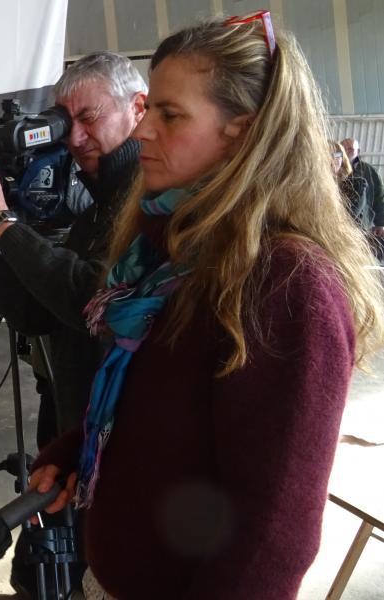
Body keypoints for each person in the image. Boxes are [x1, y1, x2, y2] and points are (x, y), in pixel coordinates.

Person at [19, 13, 383, 598]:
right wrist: (74, 448)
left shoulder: (286, 284)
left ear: (242, 131)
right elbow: (156, 398)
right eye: (148, 111)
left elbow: (273, 533)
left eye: (170, 114)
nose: (142, 132)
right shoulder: (169, 243)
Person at [0, 51, 147, 451]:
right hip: (78, 439)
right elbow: (35, 314)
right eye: (67, 124)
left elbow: (88, 299)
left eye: (89, 117)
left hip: (128, 454)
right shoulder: (96, 213)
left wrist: (1, 221)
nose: (75, 138)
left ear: (138, 108)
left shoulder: (155, 208)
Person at [342, 137, 384, 238]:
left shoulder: (368, 171)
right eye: (344, 148)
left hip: (362, 225)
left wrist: (381, 222)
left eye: (351, 149)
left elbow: (379, 196)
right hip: (338, 223)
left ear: (358, 151)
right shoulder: (334, 169)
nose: (347, 151)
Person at [331, 141, 373, 231]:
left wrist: (380, 222)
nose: (330, 160)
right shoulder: (310, 186)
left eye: (335, 156)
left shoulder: (357, 184)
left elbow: (349, 218)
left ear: (342, 159)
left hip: (347, 235)